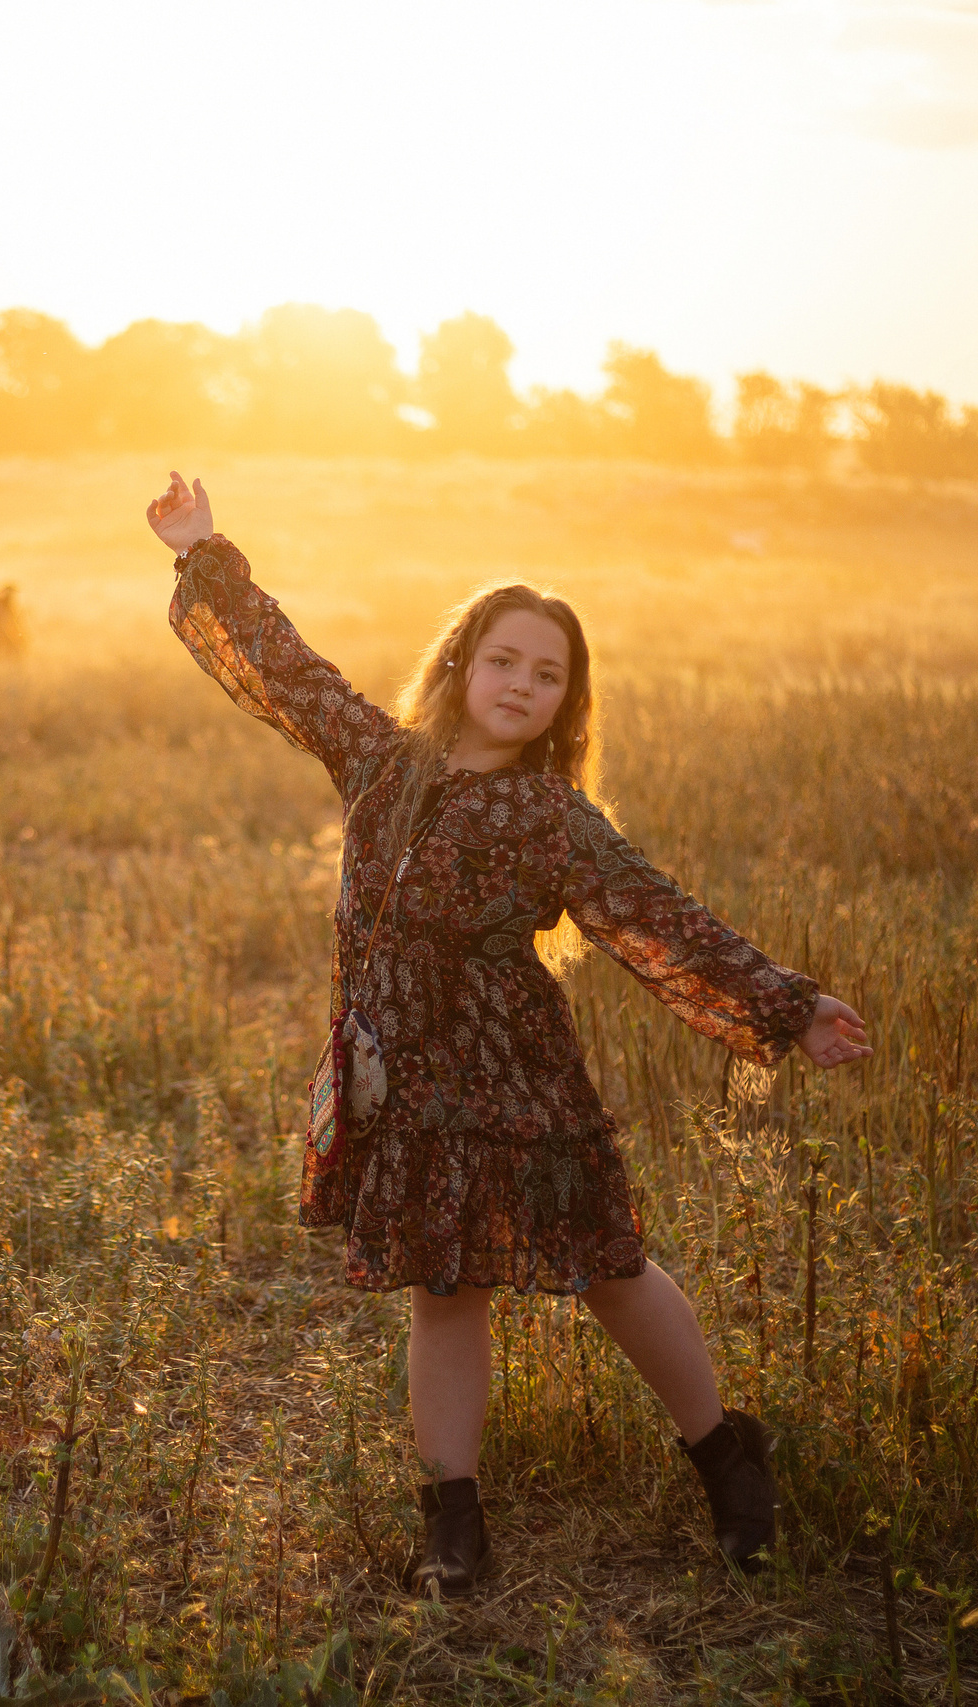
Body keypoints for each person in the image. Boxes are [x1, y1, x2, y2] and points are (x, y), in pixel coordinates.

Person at [147, 472, 872, 1593]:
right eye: (504, 661)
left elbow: (656, 916)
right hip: (401, 1079)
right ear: (457, 666)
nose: (522, 685)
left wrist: (785, 1002)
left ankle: (728, 1453)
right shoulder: (383, 762)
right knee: (444, 1289)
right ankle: (452, 1523)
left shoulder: (550, 818)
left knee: (609, 1270)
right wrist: (202, 551)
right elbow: (284, 672)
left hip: (514, 1075)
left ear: (566, 704)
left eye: (548, 675)